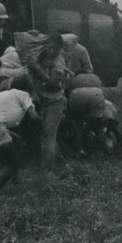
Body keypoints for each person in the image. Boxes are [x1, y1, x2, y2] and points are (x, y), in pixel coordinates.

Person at [0, 76, 41, 195]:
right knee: (13, 163)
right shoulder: (23, 94)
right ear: (27, 87)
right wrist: (41, 125)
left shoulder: (1, 94)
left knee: (18, 141)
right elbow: (33, 115)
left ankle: (16, 181)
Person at [25, 32, 71, 161]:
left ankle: (47, 171)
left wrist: (37, 67)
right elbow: (32, 38)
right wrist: (34, 33)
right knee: (44, 132)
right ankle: (58, 159)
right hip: (40, 99)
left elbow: (54, 83)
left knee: (48, 135)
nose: (51, 51)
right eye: (49, 47)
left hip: (54, 101)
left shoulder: (59, 62)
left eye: (55, 49)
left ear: (60, 49)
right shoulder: (42, 51)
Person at [67, 72, 108, 156]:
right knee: (98, 124)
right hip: (96, 93)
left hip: (77, 93)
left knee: (78, 122)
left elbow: (67, 92)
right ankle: (105, 149)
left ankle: (80, 149)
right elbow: (104, 93)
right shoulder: (95, 77)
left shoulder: (75, 78)